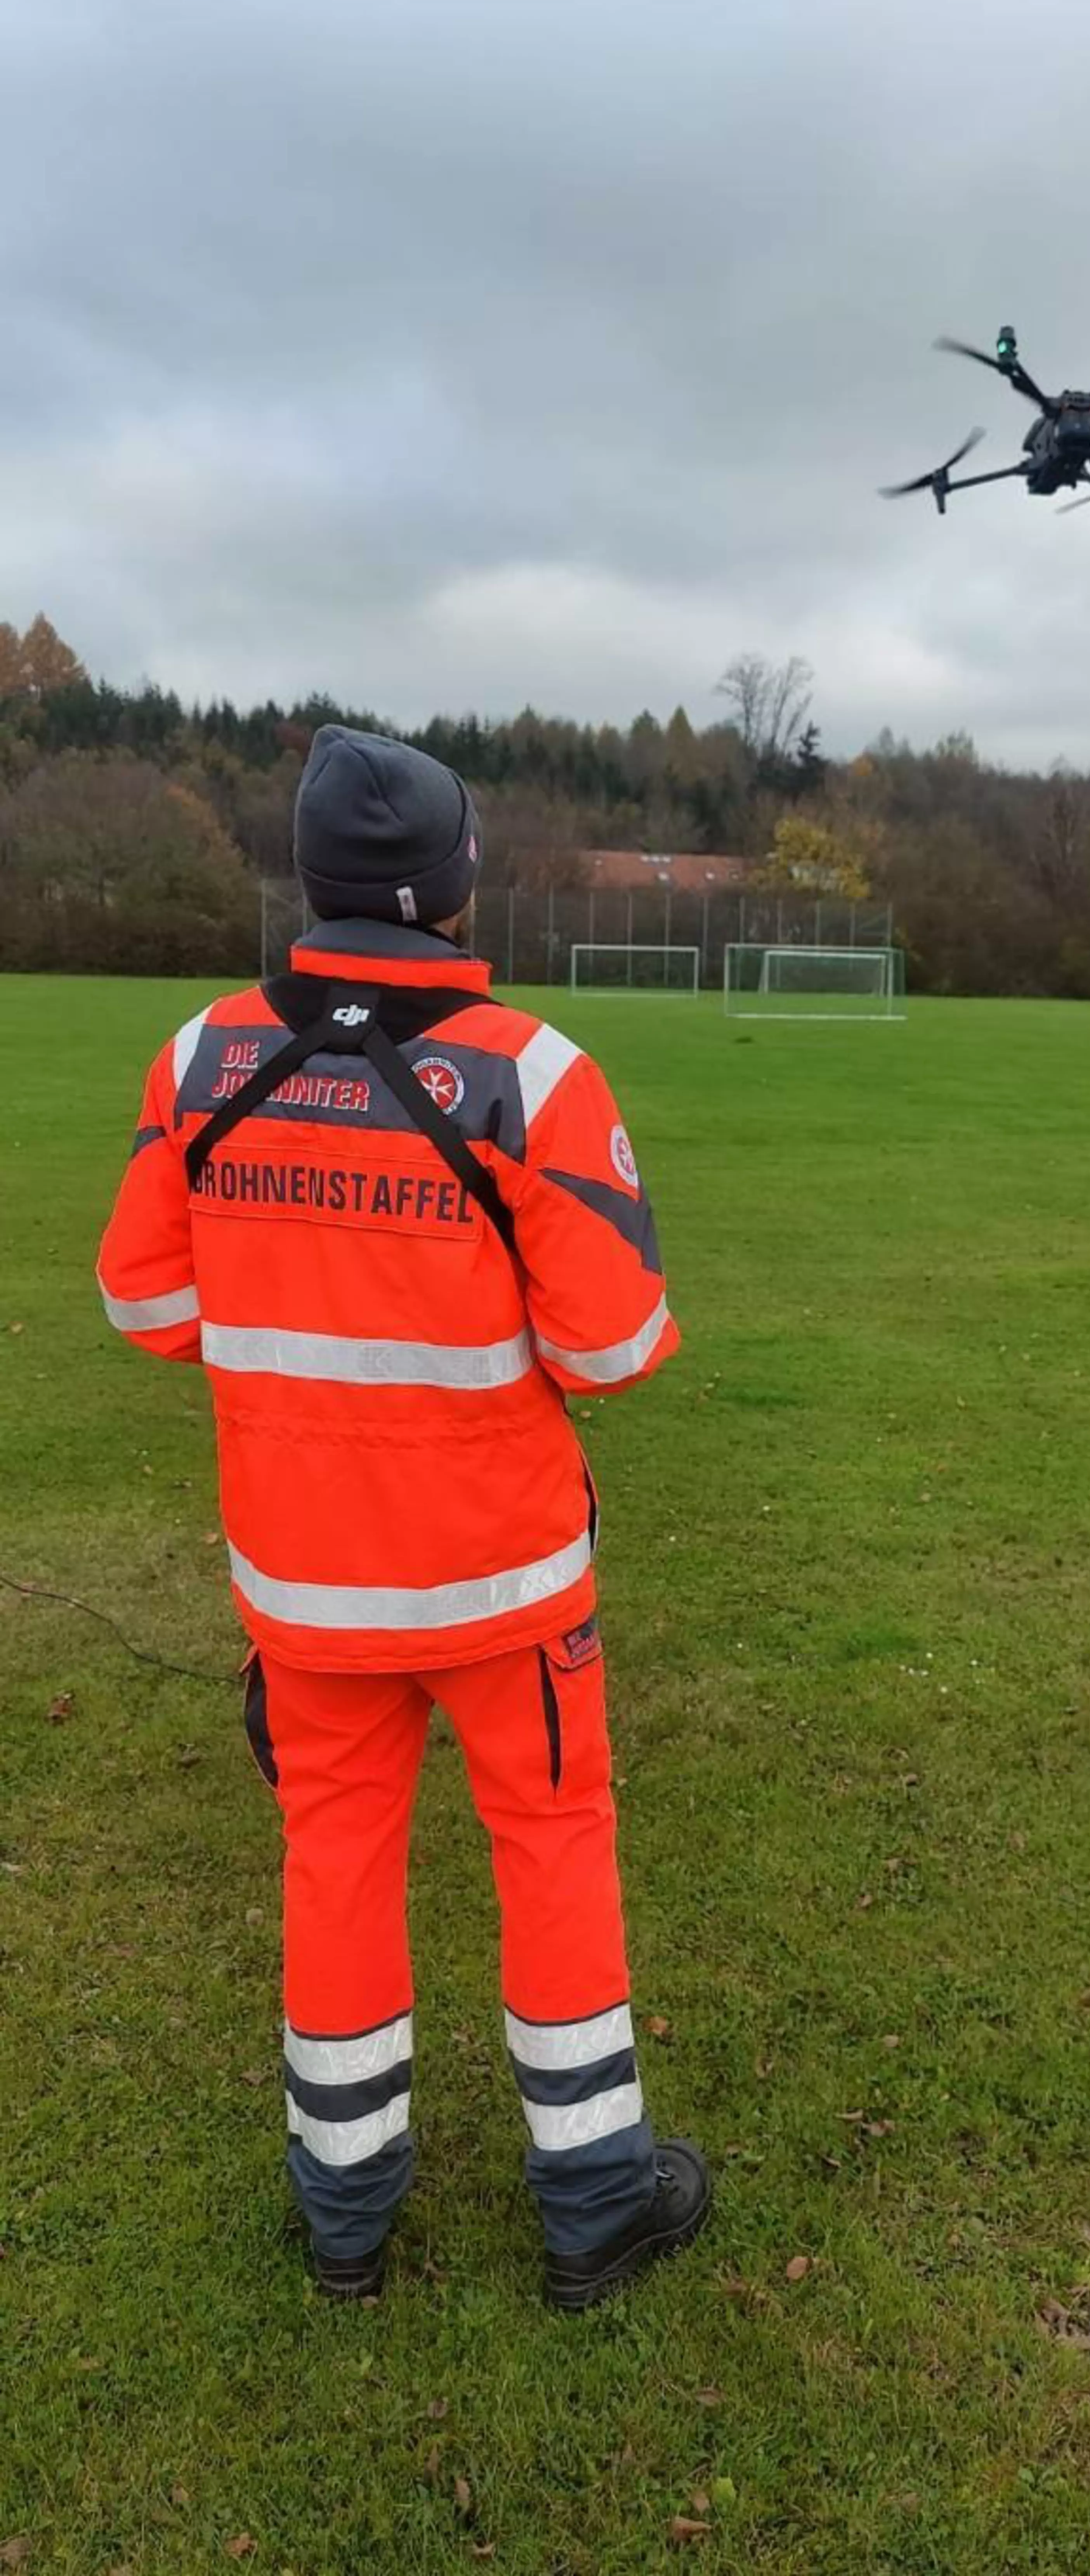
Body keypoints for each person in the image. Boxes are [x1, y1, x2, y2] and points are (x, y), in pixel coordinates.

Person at [96, 725, 710, 2310]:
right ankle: (593, 2201)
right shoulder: (536, 1070)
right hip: (505, 1579)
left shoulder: (203, 1060)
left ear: (311, 880)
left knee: (337, 1861)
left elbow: (144, 1301)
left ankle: (344, 2214)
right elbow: (615, 1345)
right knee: (555, 1850)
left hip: (306, 1587)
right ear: (454, 886)